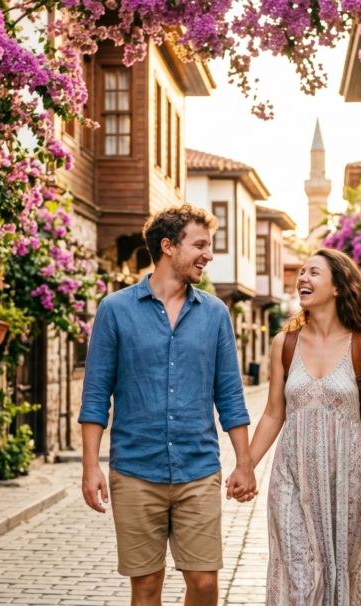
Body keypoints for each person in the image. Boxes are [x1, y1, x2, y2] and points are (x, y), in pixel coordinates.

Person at [79, 204, 257, 606]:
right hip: (135, 470)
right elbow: (95, 395)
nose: (208, 255)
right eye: (200, 245)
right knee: (145, 587)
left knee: (205, 582)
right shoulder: (115, 310)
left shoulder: (215, 313)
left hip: (198, 470)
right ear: (168, 247)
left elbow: (229, 394)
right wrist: (90, 466)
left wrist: (244, 462)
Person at [239, 248, 361, 605]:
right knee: (301, 580)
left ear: (338, 287)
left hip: (346, 479)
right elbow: (274, 413)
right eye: (301, 272)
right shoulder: (284, 343)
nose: (302, 278)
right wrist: (246, 466)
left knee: (345, 577)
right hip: (291, 477)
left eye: (314, 273)